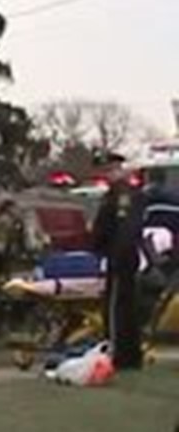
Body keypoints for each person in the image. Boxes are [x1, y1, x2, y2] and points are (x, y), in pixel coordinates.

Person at [91, 151, 147, 369]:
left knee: (116, 310)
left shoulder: (122, 195)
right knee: (126, 307)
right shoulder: (117, 194)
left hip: (120, 258)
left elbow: (123, 230)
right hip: (122, 256)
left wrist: (112, 255)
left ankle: (118, 353)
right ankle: (130, 356)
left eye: (109, 169)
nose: (107, 174)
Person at [0, 192, 48, 344]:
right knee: (29, 302)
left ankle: (13, 334)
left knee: (10, 302)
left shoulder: (3, 222)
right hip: (31, 268)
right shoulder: (29, 218)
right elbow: (42, 242)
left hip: (12, 268)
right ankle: (31, 332)